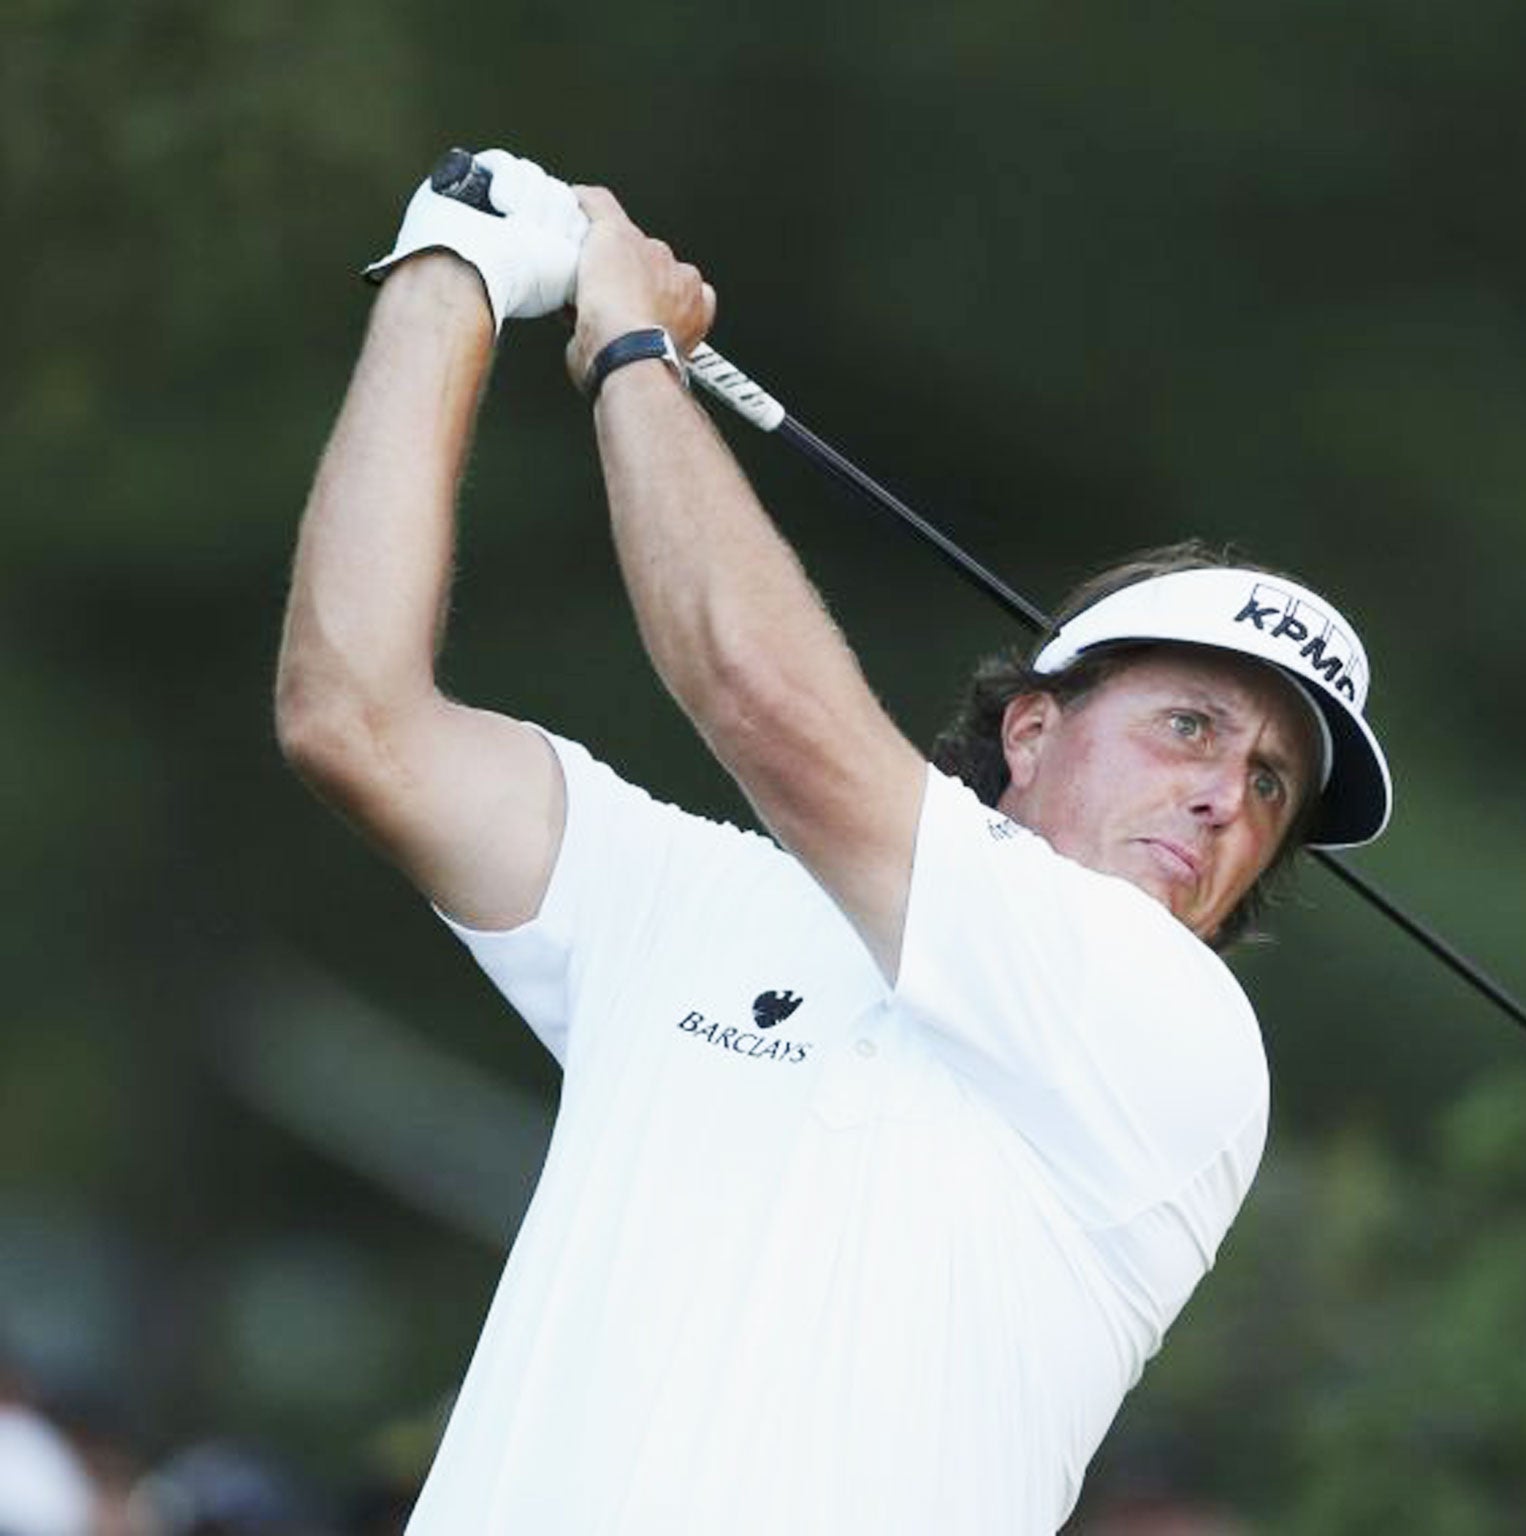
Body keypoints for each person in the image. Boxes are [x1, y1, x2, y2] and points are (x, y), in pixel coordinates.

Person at [274, 149, 1391, 1535]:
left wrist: (631, 351)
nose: (1231, 794)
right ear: (1033, 733)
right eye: (1190, 729)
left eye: (1276, 786)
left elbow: (761, 696)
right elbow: (356, 717)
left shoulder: (1171, 1032)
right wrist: (452, 275)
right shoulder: (703, 900)